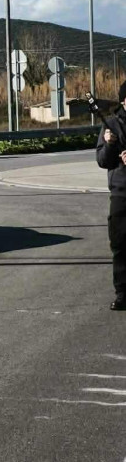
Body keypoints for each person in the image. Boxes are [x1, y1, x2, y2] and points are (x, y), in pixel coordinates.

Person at [97, 80, 126, 311]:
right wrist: (108, 146)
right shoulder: (111, 125)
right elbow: (102, 161)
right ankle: (123, 294)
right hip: (121, 194)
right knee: (120, 245)